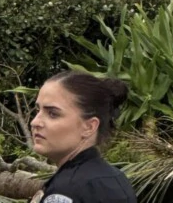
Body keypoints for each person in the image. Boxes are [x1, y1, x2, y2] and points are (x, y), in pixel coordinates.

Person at [30, 72, 136, 203]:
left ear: (89, 127)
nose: (35, 122)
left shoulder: (66, 190)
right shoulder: (116, 178)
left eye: (52, 113)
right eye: (37, 110)